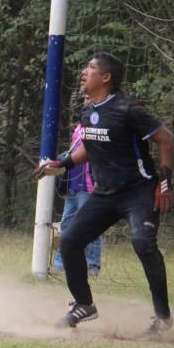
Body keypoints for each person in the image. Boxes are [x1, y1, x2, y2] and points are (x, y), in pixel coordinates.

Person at [37, 52, 174, 335]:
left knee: (142, 242)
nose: (84, 72)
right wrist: (62, 164)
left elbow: (167, 139)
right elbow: (89, 145)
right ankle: (84, 305)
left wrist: (165, 183)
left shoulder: (128, 109)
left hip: (139, 190)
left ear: (106, 77)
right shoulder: (88, 111)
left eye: (90, 68)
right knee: (70, 241)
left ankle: (162, 317)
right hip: (106, 193)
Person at [52, 95, 102, 278]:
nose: (87, 99)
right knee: (66, 224)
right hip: (73, 184)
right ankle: (61, 263)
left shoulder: (101, 125)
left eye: (90, 96)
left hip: (89, 186)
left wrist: (99, 179)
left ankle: (92, 265)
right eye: (86, 97)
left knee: (90, 226)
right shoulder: (79, 127)